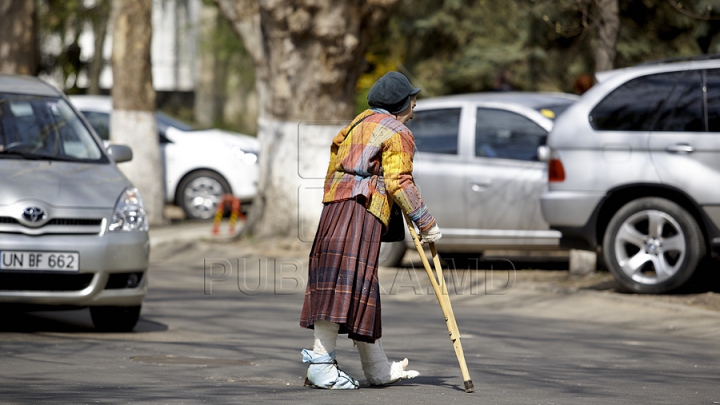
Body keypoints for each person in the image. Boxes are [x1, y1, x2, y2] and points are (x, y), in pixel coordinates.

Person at [299, 71, 442, 390]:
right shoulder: (399, 132)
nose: (415, 106)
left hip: (335, 208)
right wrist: (427, 223)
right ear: (402, 103)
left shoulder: (355, 123)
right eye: (413, 100)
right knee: (348, 283)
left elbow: (333, 163)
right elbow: (399, 181)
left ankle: (376, 369)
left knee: (349, 284)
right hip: (361, 211)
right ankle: (321, 366)